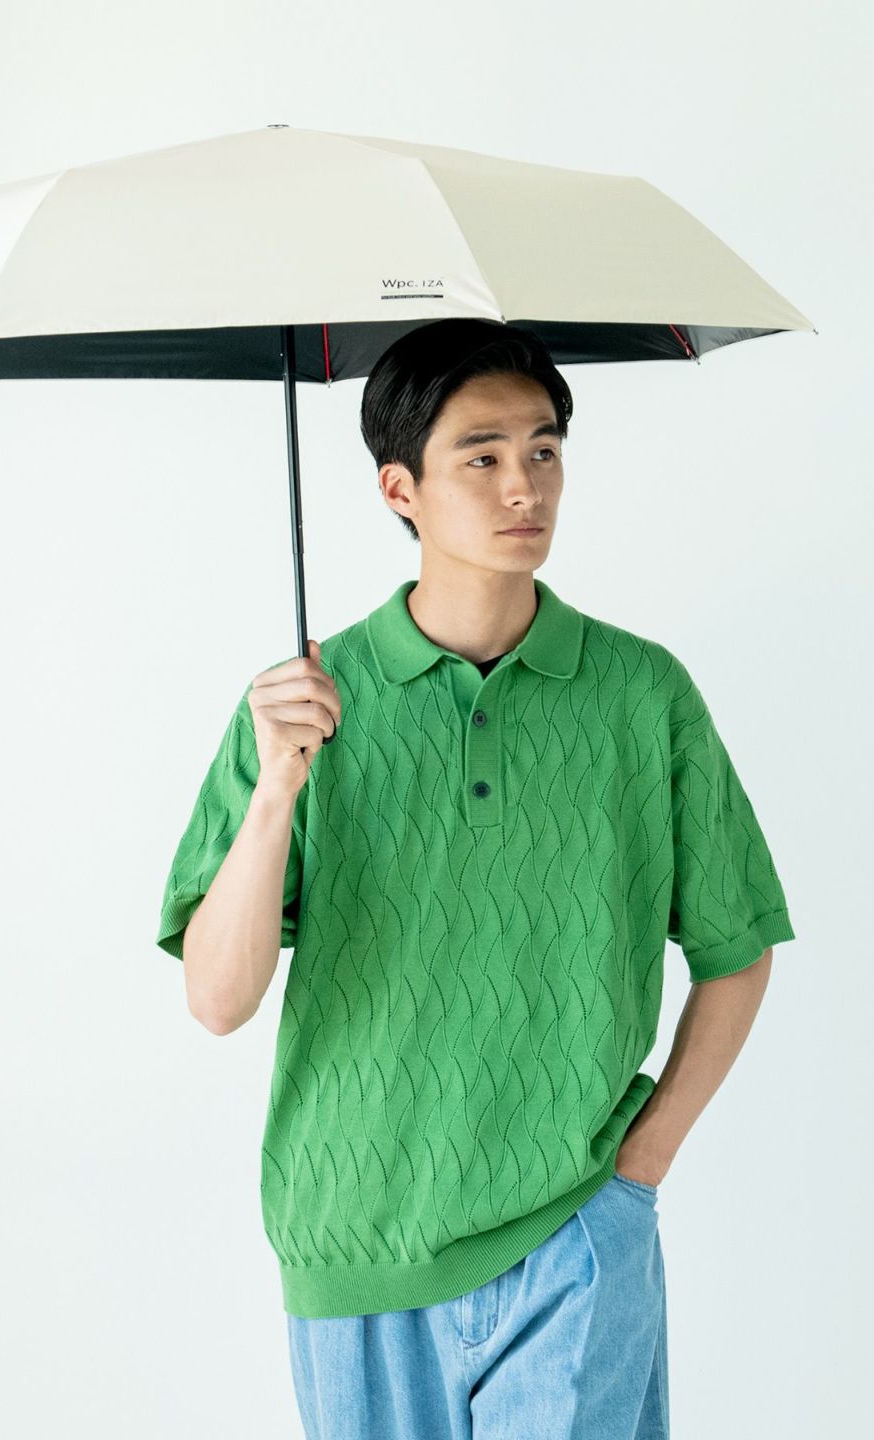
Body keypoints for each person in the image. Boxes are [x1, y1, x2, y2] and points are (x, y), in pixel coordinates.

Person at [154, 317, 795, 1440]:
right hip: (353, 1241)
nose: (523, 487)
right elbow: (217, 998)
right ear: (399, 488)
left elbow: (736, 950)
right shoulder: (303, 704)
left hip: (575, 1231)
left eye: (544, 450)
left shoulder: (643, 694)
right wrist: (277, 790)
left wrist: (638, 1169)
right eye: (482, 456)